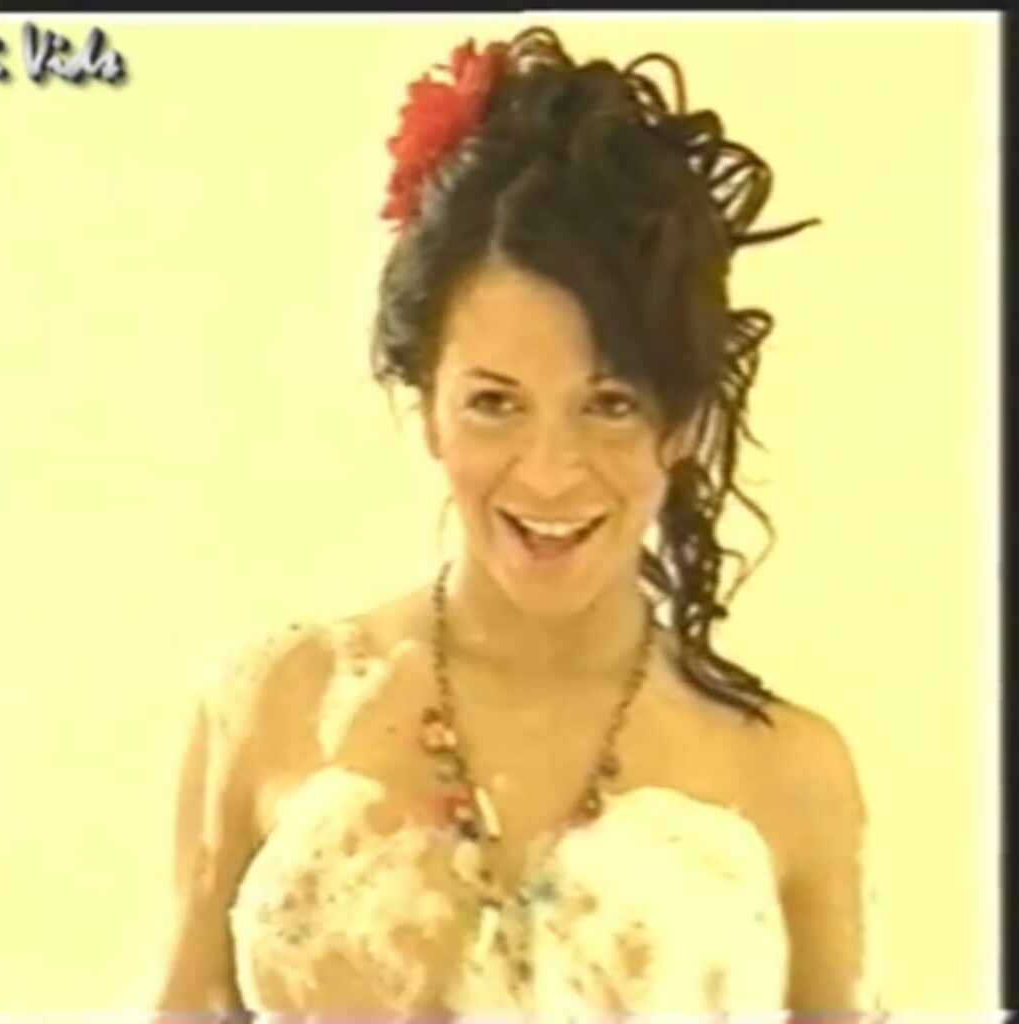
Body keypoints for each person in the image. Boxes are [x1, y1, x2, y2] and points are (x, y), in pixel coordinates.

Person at [155, 25, 882, 1021]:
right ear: (426, 406)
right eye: (494, 403)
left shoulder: (787, 775)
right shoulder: (276, 703)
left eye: (609, 404)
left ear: (683, 422)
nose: (547, 472)